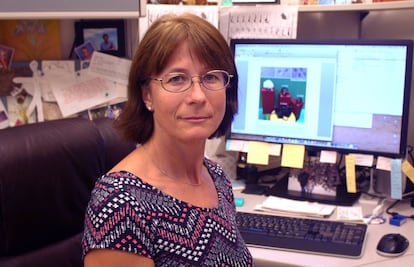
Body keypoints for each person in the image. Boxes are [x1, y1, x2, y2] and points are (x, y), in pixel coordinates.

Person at [82, 13, 254, 267]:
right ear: (147, 96)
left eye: (210, 77)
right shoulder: (119, 205)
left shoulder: (217, 178)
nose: (197, 95)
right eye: (176, 79)